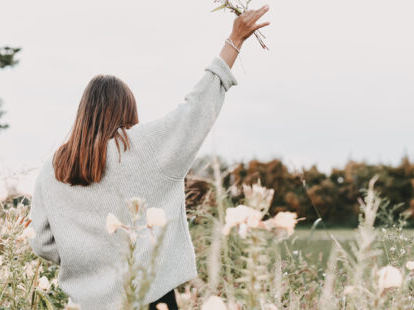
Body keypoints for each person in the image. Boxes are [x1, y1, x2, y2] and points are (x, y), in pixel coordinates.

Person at [29, 5, 270, 310]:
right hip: (151, 299)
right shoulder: (142, 147)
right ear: (127, 113)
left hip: (86, 304)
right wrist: (234, 40)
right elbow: (196, 109)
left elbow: (41, 242)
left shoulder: (52, 170)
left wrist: (87, 259)